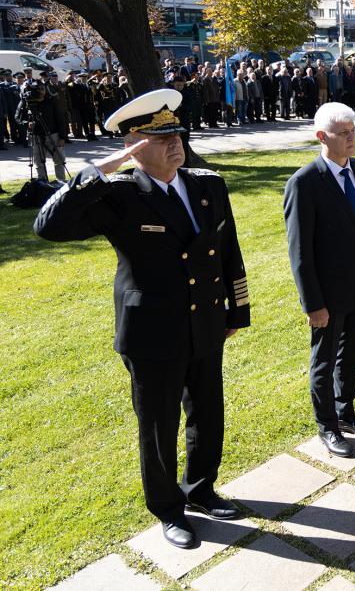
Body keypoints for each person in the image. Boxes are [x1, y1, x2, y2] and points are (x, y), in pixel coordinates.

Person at [33, 88, 250, 550]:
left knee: (208, 413)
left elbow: (227, 250)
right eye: (161, 139)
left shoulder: (207, 185)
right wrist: (99, 171)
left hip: (205, 321)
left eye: (177, 134)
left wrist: (237, 309)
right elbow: (48, 227)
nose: (175, 144)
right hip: (153, 332)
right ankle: (169, 509)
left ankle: (201, 488)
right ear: (133, 146)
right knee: (158, 426)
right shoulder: (119, 194)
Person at [284, 103, 355, 458]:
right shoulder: (304, 184)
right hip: (327, 296)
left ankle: (346, 412)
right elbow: (300, 252)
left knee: (351, 356)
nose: (351, 138)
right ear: (321, 137)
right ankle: (327, 426)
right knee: (325, 361)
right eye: (343, 133)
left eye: (353, 131)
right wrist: (313, 303)